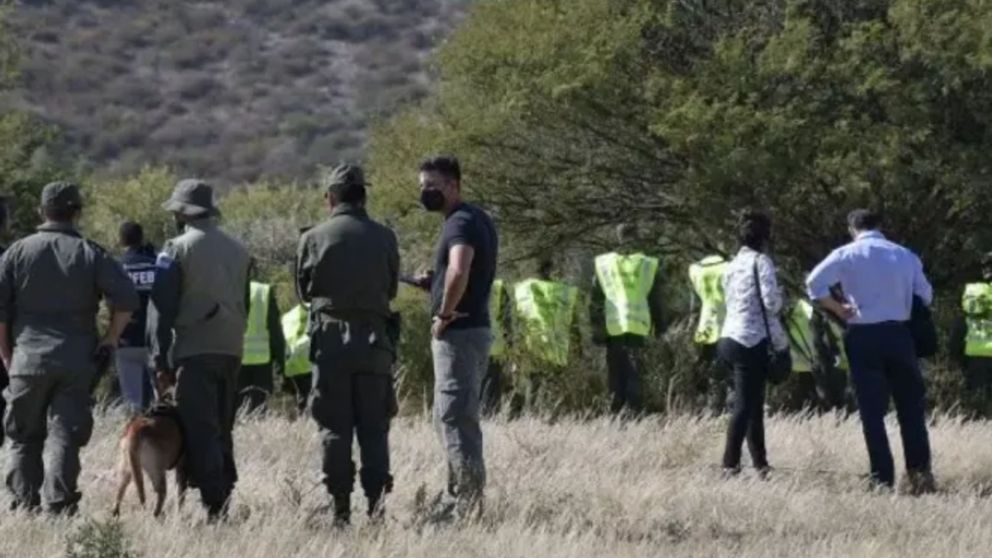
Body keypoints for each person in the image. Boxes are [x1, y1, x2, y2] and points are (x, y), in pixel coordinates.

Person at [0, 182, 138, 514]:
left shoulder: (17, 252)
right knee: (65, 435)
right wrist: (111, 338)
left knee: (22, 436)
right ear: (77, 213)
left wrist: (6, 353)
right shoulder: (91, 253)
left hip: (27, 358)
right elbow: (127, 300)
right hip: (76, 360)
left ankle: (23, 504)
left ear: (41, 211)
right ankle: (58, 506)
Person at [296, 164, 399, 524]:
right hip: (374, 342)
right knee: (374, 428)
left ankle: (340, 509)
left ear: (331, 197)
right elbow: (391, 289)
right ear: (363, 196)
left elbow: (304, 292)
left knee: (334, 428)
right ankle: (376, 508)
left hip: (330, 344)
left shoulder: (313, 238)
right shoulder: (385, 237)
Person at [806, 209, 935, 493]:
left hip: (863, 334)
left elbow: (814, 283)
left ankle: (881, 478)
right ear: (880, 226)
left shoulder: (846, 254)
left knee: (871, 411)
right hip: (899, 334)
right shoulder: (904, 255)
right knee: (910, 408)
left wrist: (838, 307)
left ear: (852, 228)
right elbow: (926, 295)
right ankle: (919, 475)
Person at [147, 179, 251, 519]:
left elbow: (160, 308)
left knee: (201, 428)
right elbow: (246, 302)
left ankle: (215, 506)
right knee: (223, 426)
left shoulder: (175, 249)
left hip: (194, 350)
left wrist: (159, 359)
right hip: (231, 348)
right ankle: (224, 492)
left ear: (182, 213)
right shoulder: (239, 250)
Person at [415, 155, 497, 519]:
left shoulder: (460, 222)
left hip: (459, 333)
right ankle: (456, 497)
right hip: (472, 330)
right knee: (448, 417)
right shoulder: (476, 218)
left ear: (454, 185)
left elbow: (460, 269)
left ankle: (466, 505)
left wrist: (444, 313)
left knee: (455, 418)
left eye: (433, 186)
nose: (426, 193)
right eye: (422, 187)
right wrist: (434, 282)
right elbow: (463, 272)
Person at [718, 211, 785, 476]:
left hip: (728, 337)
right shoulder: (762, 262)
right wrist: (781, 298)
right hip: (751, 339)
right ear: (764, 238)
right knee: (745, 406)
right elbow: (771, 303)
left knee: (753, 403)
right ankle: (730, 464)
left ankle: (760, 463)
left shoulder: (730, 265)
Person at [590, 224, 663, 414]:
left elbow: (596, 298)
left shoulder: (605, 264)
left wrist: (596, 329)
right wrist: (660, 327)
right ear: (636, 236)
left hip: (613, 326)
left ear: (617, 237)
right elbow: (655, 298)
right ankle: (634, 414)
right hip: (638, 326)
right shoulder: (646, 264)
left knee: (616, 372)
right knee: (635, 371)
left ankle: (616, 414)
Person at [512, 258, 579, 411]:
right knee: (552, 383)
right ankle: (549, 412)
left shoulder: (525, 289)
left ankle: (532, 413)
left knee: (533, 382)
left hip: (533, 344)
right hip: (557, 347)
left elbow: (518, 319)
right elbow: (572, 322)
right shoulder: (563, 291)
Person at [116, 221, 157, 412]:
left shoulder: (117, 267)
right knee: (161, 399)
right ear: (142, 238)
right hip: (156, 340)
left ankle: (136, 427)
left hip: (126, 339)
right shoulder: (157, 264)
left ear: (121, 240)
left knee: (133, 402)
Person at [238, 264, 286, 414]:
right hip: (261, 363)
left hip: (233, 359)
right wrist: (282, 364)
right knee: (258, 411)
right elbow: (275, 330)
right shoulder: (263, 292)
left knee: (234, 411)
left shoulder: (225, 291)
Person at [949, 252, 992, 417]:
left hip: (977, 359)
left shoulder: (974, 294)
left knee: (979, 409)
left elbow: (960, 327)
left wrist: (957, 357)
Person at [688, 254, 731, 414]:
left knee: (710, 371)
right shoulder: (729, 268)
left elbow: (695, 304)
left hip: (706, 325)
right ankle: (725, 409)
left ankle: (711, 409)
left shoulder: (696, 269)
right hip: (727, 325)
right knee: (728, 373)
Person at [480, 278, 511, 415]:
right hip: (493, 344)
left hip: (467, 343)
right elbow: (507, 320)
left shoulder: (461, 280)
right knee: (490, 385)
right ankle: (489, 415)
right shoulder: (498, 287)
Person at [281, 303, 313, 414]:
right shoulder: (315, 310)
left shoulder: (287, 316)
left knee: (301, 399)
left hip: (292, 365)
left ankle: (303, 420)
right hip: (310, 363)